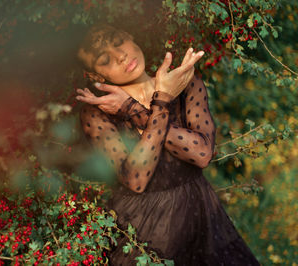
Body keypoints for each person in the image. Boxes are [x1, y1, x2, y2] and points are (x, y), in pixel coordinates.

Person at [75, 24, 259, 266]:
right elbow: (137, 179)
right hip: (143, 227)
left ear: (129, 35)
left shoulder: (185, 84)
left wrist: (136, 109)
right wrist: (159, 105)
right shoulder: (97, 112)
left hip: (201, 219)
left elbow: (202, 154)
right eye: (105, 59)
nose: (120, 56)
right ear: (97, 76)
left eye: (118, 41)